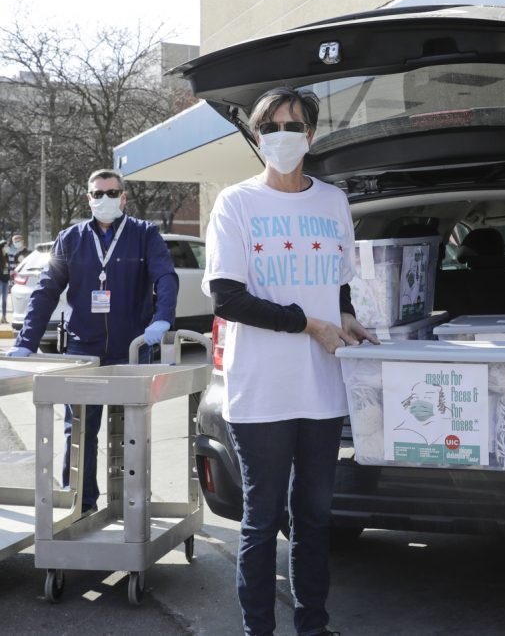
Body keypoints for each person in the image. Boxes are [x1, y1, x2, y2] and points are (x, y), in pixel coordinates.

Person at [203, 86, 376, 636]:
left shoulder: (333, 201)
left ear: (311, 134)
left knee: (317, 517)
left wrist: (343, 316)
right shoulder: (237, 202)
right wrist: (311, 324)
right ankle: (259, 629)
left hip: (322, 388)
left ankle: (313, 626)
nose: (281, 135)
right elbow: (228, 298)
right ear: (258, 137)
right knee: (260, 520)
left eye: (292, 124)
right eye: (271, 126)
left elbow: (338, 279)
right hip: (261, 393)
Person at [7, 170, 178, 515]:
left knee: (134, 430)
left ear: (124, 197)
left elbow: (165, 276)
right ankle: (80, 504)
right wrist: (27, 341)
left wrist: (163, 318)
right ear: (88, 198)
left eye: (112, 192)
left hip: (131, 349)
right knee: (81, 431)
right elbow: (46, 291)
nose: (105, 199)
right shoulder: (70, 239)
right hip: (84, 350)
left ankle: (133, 503)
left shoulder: (145, 235)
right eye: (97, 194)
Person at [1, 234, 28, 323]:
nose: (17, 243)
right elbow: (12, 270)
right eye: (15, 241)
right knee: (14, 301)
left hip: (26, 282)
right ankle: (12, 318)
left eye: (18, 241)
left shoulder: (28, 253)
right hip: (13, 282)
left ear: (23, 241)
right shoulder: (13, 255)